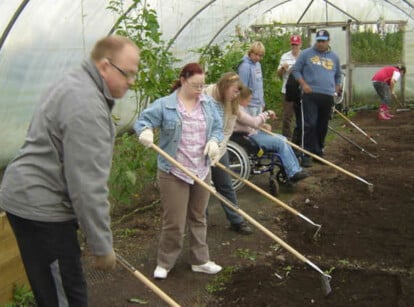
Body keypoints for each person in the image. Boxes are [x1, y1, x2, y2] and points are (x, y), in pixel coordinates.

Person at [0, 35, 140, 306]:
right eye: (128, 74)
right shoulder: (87, 106)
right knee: (66, 296)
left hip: (27, 196)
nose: (132, 81)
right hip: (42, 208)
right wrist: (101, 245)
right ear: (104, 67)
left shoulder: (74, 82)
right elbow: (87, 186)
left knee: (53, 288)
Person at [134, 63, 224, 280]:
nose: (199, 90)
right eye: (195, 85)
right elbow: (142, 121)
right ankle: (165, 262)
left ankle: (200, 261)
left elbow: (218, 128)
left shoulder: (208, 104)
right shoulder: (165, 105)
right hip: (174, 171)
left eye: (202, 85)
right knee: (174, 220)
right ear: (183, 80)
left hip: (201, 168)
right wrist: (145, 131)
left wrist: (213, 141)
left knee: (198, 216)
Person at [204, 72, 253, 235]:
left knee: (225, 185)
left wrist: (217, 150)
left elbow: (227, 131)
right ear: (224, 86)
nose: (237, 95)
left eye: (239, 91)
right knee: (201, 188)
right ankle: (200, 222)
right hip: (198, 148)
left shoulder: (232, 103)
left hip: (219, 148)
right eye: (235, 90)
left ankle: (236, 221)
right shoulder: (204, 95)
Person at [234, 86, 309, 183]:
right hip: (249, 138)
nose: (249, 103)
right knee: (280, 142)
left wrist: (263, 123)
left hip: (251, 134)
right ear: (241, 99)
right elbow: (253, 122)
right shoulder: (237, 110)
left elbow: (251, 123)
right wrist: (267, 113)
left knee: (283, 139)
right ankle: (292, 172)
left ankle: (294, 169)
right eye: (248, 100)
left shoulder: (240, 108)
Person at [292, 29, 342, 167]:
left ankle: (318, 151)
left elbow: (338, 74)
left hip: (327, 96)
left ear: (328, 41)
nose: (320, 44)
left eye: (323, 41)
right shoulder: (306, 54)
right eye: (319, 41)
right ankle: (306, 153)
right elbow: (296, 70)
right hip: (310, 95)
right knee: (310, 124)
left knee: (322, 125)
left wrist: (337, 86)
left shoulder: (334, 57)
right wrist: (303, 84)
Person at [277, 34, 302, 140]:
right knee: (287, 116)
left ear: (300, 44)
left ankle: (300, 138)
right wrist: (283, 68)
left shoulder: (304, 56)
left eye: (296, 45)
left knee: (301, 116)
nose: (294, 47)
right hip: (288, 91)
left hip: (301, 90)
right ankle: (287, 139)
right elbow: (278, 74)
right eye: (293, 45)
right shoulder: (285, 56)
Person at [238, 41, 266, 116]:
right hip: (249, 105)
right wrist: (243, 104)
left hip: (258, 104)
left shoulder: (258, 65)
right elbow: (243, 87)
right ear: (250, 52)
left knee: (258, 126)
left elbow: (260, 84)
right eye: (256, 54)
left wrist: (262, 102)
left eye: (260, 56)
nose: (258, 57)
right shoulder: (245, 66)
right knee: (250, 126)